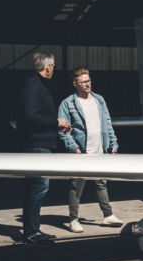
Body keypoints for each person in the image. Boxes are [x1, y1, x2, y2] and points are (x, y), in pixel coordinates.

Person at [58, 67, 123, 232]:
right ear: (75, 84)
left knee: (102, 184)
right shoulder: (68, 103)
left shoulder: (99, 99)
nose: (87, 84)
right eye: (83, 82)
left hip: (100, 150)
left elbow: (107, 123)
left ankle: (108, 216)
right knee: (76, 186)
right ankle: (73, 220)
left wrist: (113, 143)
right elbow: (62, 130)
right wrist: (75, 149)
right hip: (81, 152)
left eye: (88, 81)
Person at [19, 52, 71, 246]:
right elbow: (30, 116)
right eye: (54, 66)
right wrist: (56, 122)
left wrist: (56, 125)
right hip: (36, 144)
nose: (54, 69)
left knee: (35, 188)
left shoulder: (38, 85)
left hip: (41, 142)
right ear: (47, 67)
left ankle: (32, 230)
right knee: (38, 188)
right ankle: (32, 233)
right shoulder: (34, 86)